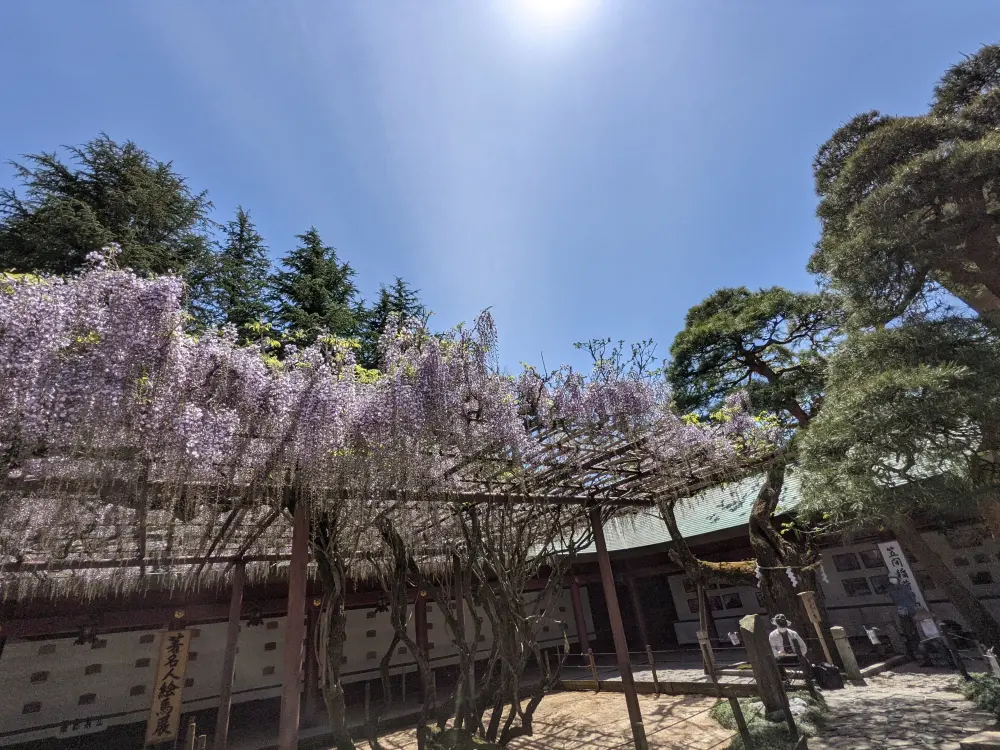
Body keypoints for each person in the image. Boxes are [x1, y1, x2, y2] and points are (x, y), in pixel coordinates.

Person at [886, 573, 920, 659]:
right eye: (890, 578)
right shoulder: (891, 590)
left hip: (910, 612)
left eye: (893, 578)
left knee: (915, 632)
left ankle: (917, 653)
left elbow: (912, 598)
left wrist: (912, 608)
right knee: (907, 634)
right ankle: (913, 654)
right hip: (902, 614)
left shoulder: (904, 587)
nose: (892, 579)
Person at [768, 614, 808, 679]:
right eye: (780, 626)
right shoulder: (772, 635)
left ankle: (810, 679)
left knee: (805, 661)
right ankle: (783, 680)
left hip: (795, 657)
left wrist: (798, 653)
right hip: (781, 658)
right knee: (776, 664)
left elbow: (804, 647)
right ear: (776, 625)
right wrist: (778, 653)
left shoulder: (793, 633)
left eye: (783, 626)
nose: (782, 628)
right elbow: (771, 648)